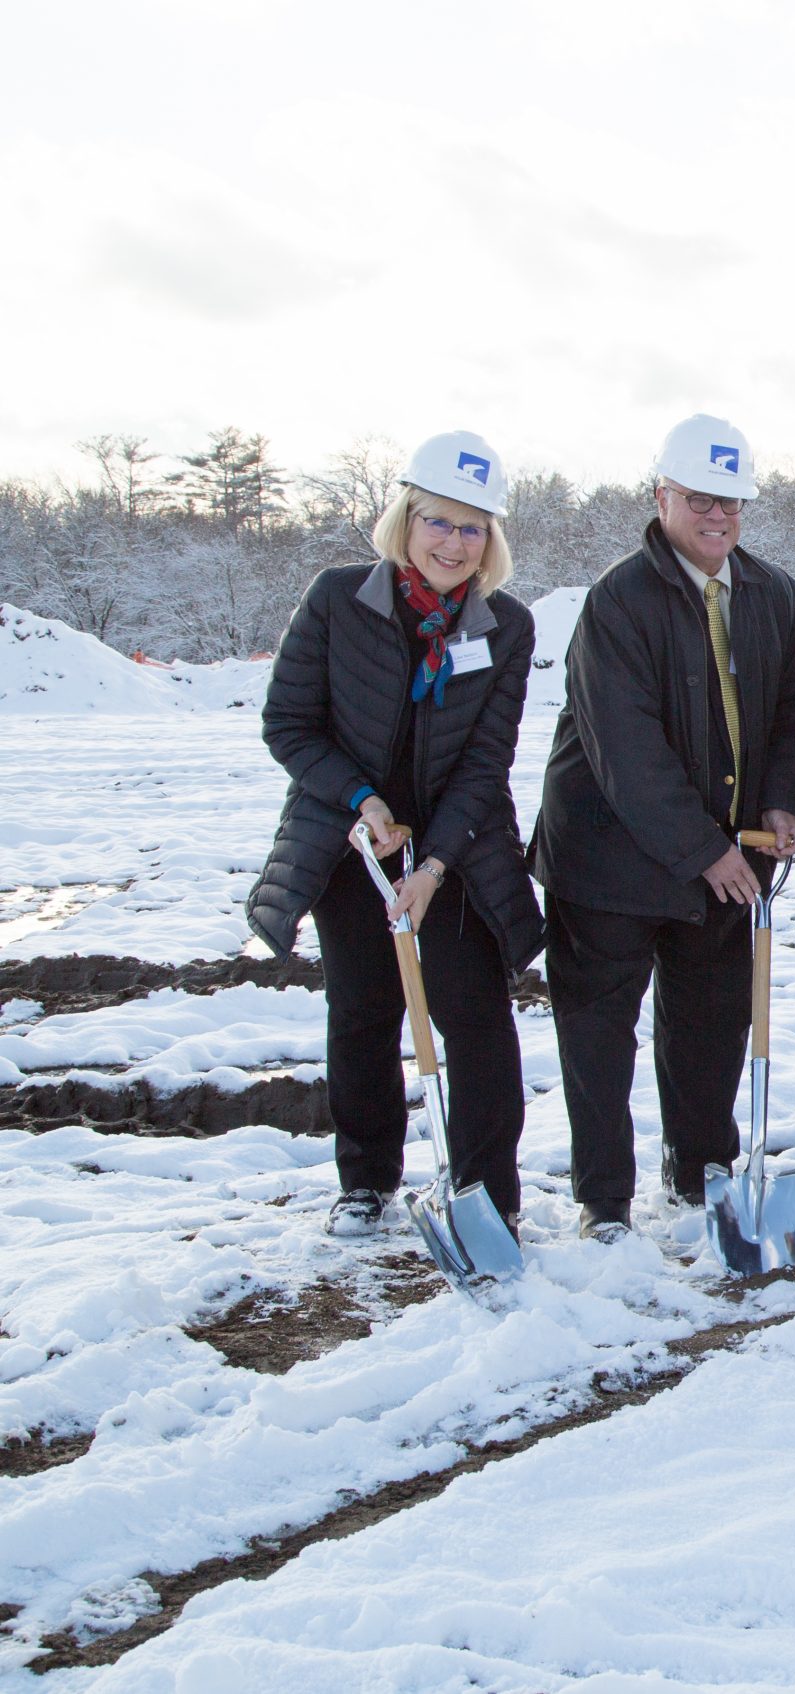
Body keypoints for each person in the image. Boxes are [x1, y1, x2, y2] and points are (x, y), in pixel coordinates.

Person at [532, 414, 795, 1242]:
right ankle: (604, 1200)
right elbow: (624, 746)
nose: (718, 517)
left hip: (726, 858)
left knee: (710, 1023)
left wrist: (780, 799)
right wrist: (706, 850)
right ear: (661, 495)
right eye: (700, 498)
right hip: (609, 860)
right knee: (599, 1034)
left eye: (732, 502)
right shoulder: (618, 601)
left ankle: (702, 1173)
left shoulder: (771, 595)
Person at [249, 431, 543, 1237]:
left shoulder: (505, 626)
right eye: (439, 523)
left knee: (477, 1017)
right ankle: (365, 1180)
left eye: (472, 528)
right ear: (406, 521)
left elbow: (488, 760)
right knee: (363, 1012)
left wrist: (437, 863)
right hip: (354, 848)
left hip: (457, 847)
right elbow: (289, 725)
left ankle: (489, 1198)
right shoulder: (338, 599)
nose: (454, 543)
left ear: (492, 541)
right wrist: (361, 801)